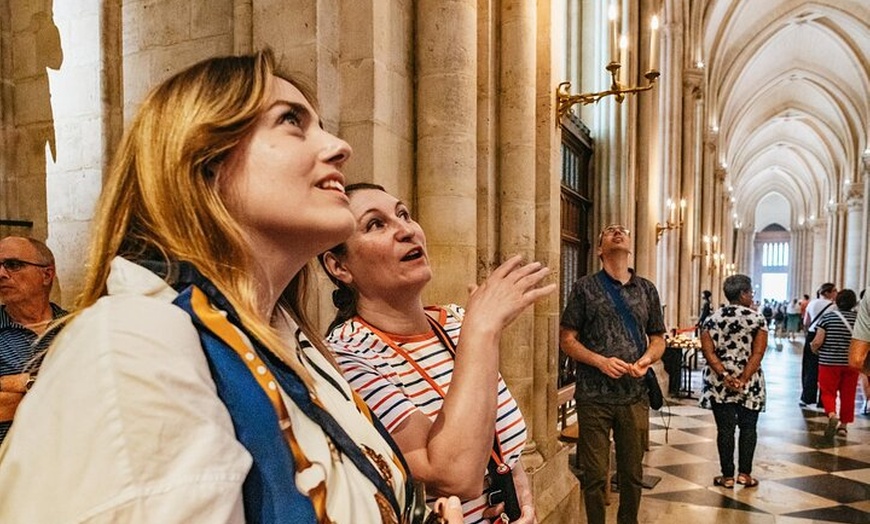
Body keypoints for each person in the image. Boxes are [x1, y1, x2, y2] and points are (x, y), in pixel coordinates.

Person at [0, 51, 460, 524]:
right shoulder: (133, 343)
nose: (340, 147)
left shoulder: (291, 342)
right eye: (291, 122)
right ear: (204, 163)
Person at [320, 183, 551, 523]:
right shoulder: (346, 356)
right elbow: (453, 476)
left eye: (403, 214)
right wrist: (482, 332)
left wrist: (519, 495)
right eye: (375, 224)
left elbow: (499, 442)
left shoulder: (456, 321)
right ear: (339, 267)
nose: (406, 230)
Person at [559, 224, 666, 524]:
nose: (617, 232)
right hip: (594, 396)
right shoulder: (584, 288)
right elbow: (566, 339)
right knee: (594, 475)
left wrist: (646, 359)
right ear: (599, 249)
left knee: (632, 473)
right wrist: (600, 362)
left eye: (623, 230)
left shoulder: (646, 289)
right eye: (609, 231)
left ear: (630, 245)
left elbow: (658, 338)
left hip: (633, 395)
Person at [699, 274, 767, 489]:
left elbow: (708, 352)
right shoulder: (757, 319)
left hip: (719, 384)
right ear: (743, 294)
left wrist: (725, 375)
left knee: (725, 430)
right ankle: (745, 474)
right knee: (748, 428)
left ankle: (727, 476)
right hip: (750, 382)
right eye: (751, 293)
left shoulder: (712, 319)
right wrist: (743, 378)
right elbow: (758, 353)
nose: (752, 297)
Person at [0, 236, 66, 445]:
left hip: (69, 457)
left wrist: (21, 384)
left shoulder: (77, 327)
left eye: (13, 265)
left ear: (46, 274)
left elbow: (95, 393)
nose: (1, 274)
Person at [811, 289, 859, 439]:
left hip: (829, 362)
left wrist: (814, 349)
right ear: (854, 303)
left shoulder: (827, 318)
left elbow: (818, 341)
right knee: (848, 394)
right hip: (851, 363)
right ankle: (843, 426)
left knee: (828, 391)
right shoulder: (860, 320)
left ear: (837, 301)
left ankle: (832, 414)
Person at [800, 283, 838, 407]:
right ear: (827, 292)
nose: (836, 293)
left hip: (812, 334)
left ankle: (807, 397)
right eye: (834, 291)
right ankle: (823, 400)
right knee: (824, 367)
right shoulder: (833, 307)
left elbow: (806, 322)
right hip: (826, 336)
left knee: (809, 367)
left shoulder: (812, 303)